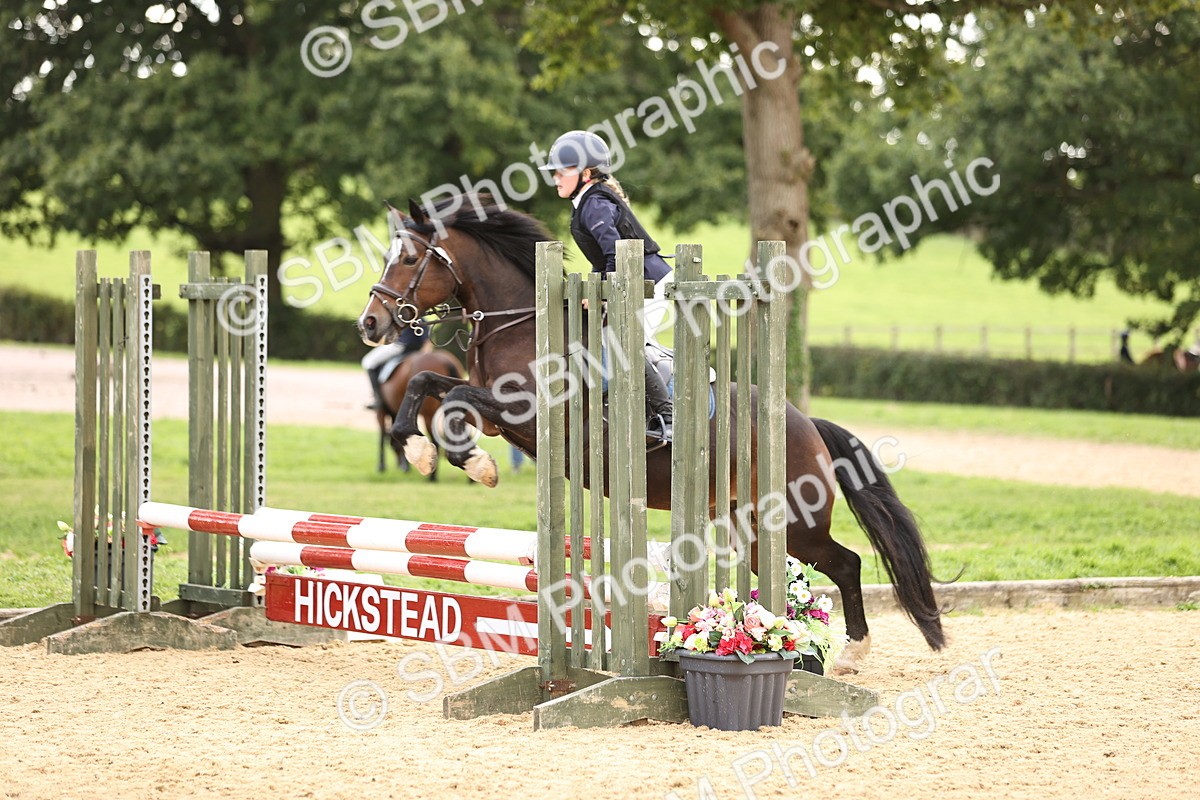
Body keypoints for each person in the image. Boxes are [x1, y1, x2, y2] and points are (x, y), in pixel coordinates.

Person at [539, 129, 674, 443]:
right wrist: (595, 288)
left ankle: (669, 415)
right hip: (633, 280)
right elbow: (604, 262)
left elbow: (614, 253)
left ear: (586, 173)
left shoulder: (595, 204)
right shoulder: (586, 202)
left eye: (562, 171)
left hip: (649, 283)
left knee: (626, 344)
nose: (555, 177)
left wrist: (601, 289)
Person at [362, 323, 430, 411]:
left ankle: (377, 399)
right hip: (415, 349)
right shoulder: (420, 318)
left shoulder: (403, 314)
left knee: (368, 362)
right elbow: (427, 341)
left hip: (400, 346)